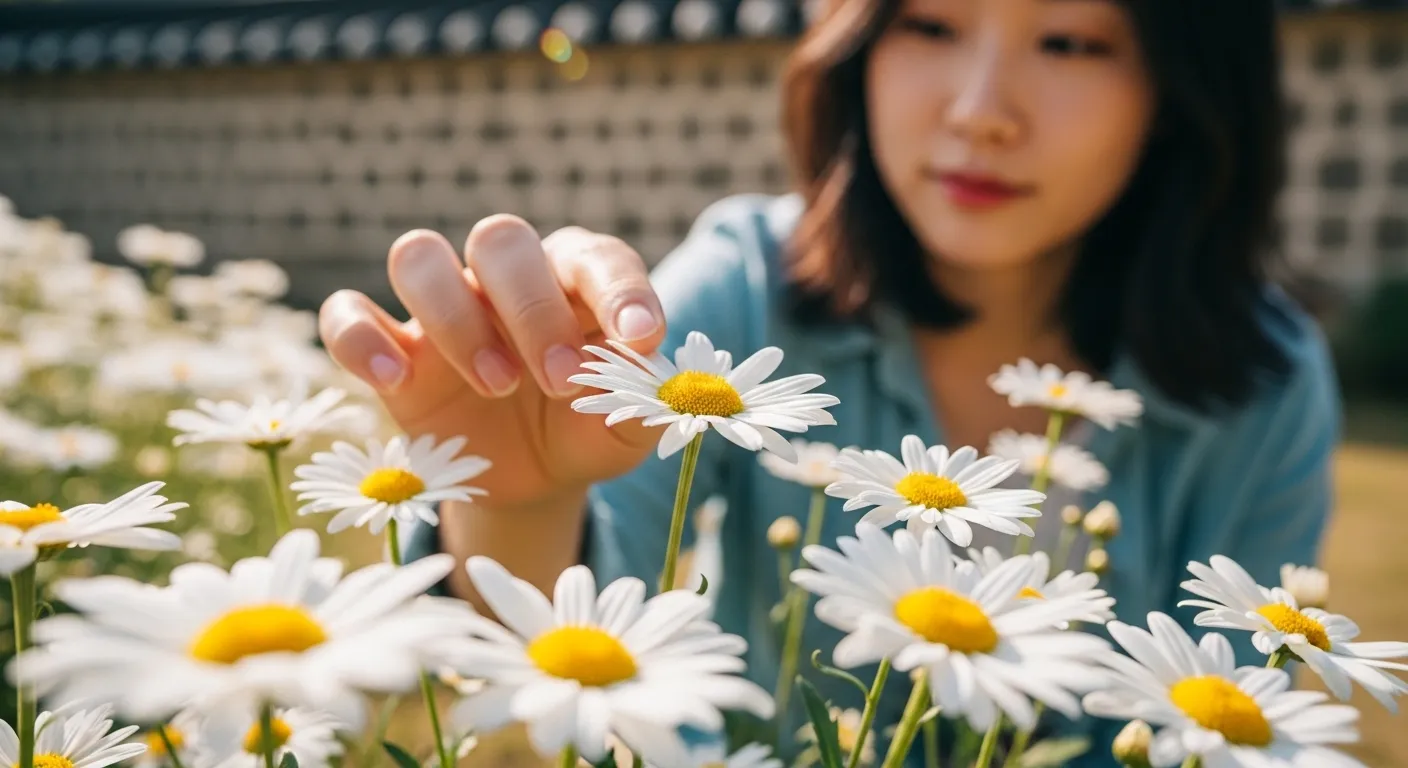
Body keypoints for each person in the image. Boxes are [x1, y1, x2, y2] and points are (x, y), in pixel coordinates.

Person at [316, 0, 1341, 763]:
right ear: (855, 42)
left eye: (1071, 41)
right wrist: (524, 498)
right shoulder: (743, 294)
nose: (981, 113)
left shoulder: (1262, 387)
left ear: (1181, 82)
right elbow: (570, 637)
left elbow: (1230, 723)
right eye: (931, 23)